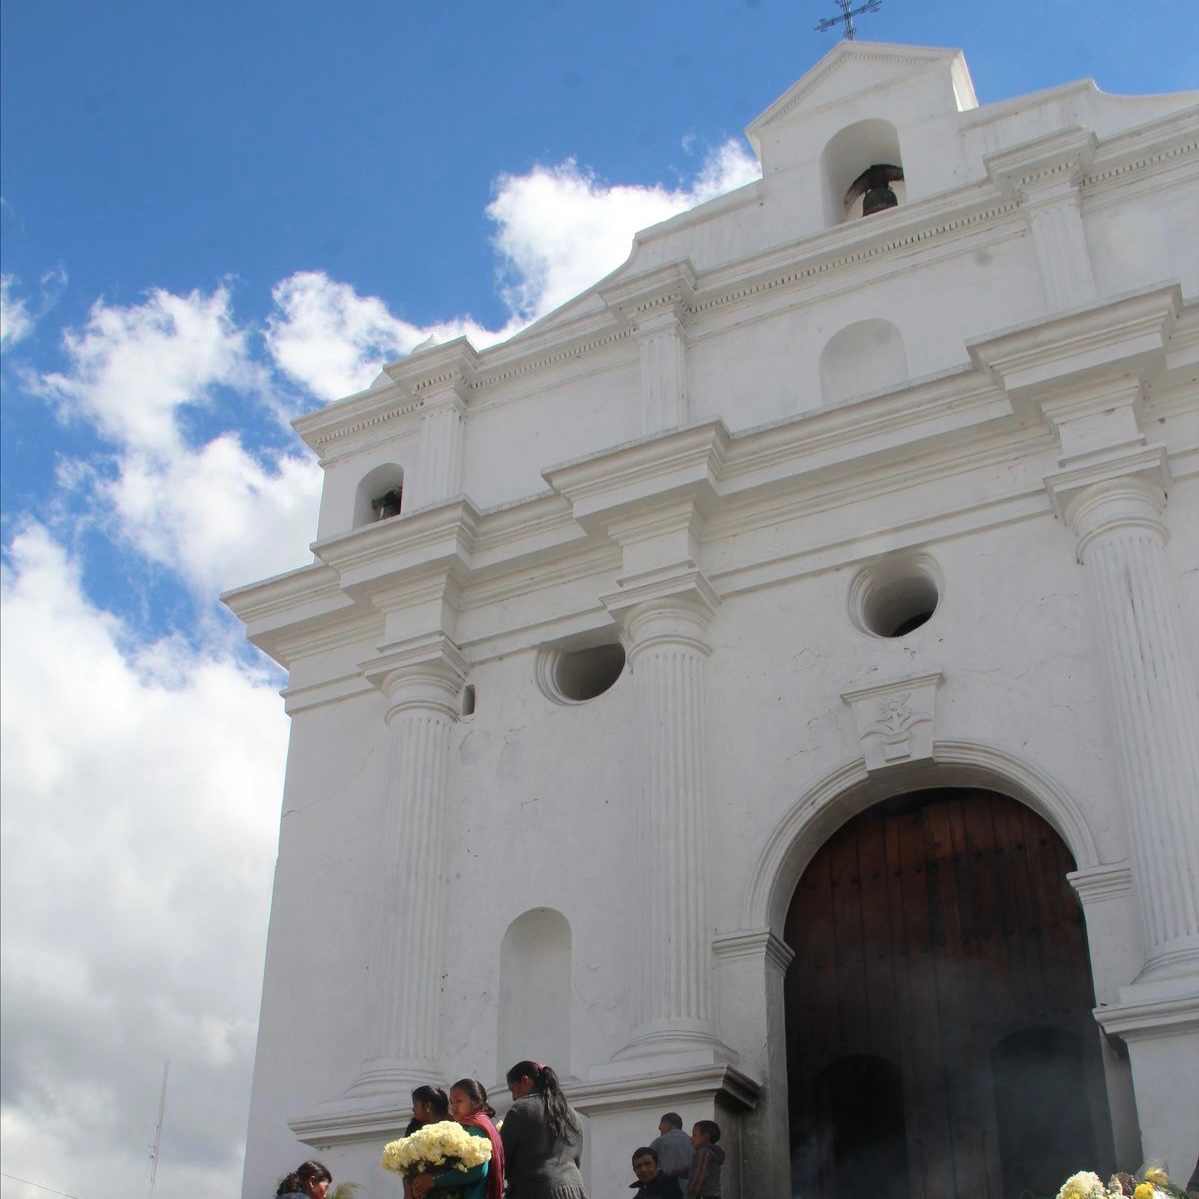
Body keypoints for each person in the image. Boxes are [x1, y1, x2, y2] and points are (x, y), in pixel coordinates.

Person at [500, 1059, 588, 1199]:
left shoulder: (522, 1108)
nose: (513, 1097)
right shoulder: (570, 1112)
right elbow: (576, 1157)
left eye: (512, 1089)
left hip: (537, 1191)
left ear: (525, 1080)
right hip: (575, 1190)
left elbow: (502, 1157)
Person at [410, 1078, 504, 1199]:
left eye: (459, 1101)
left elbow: (479, 1170)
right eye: (451, 1103)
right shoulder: (483, 1124)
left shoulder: (476, 1128)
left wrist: (433, 1180)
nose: (453, 1107)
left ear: (477, 1102)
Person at [685, 1122, 724, 1199]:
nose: (692, 1139)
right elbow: (693, 1170)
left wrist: (691, 1194)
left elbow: (699, 1176)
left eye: (695, 1135)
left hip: (704, 1195)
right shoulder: (710, 1153)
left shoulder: (704, 1152)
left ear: (706, 1137)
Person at [650, 1113, 692, 1180]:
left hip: (665, 1186)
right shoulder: (694, 1142)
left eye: (660, 1127)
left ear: (668, 1124)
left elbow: (648, 1165)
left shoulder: (659, 1142)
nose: (659, 1129)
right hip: (691, 1187)